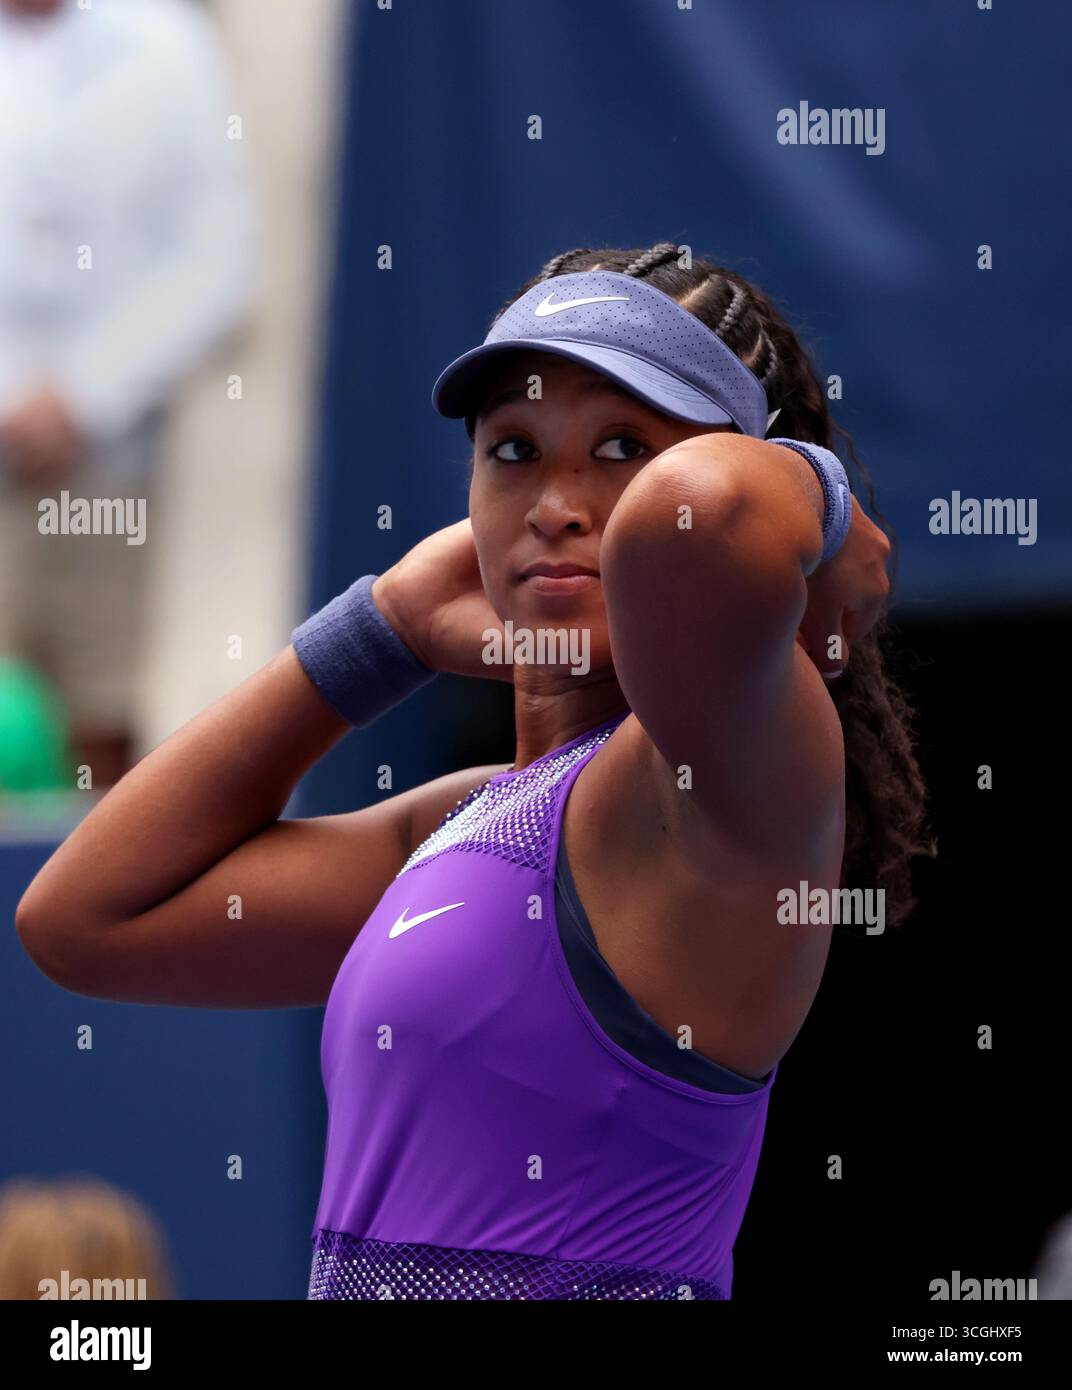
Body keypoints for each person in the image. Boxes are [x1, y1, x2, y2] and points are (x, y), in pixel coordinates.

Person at [16, 242, 934, 1300]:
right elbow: (80, 921)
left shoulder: (713, 776)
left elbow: (705, 513)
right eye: (514, 450)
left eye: (622, 447)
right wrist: (380, 630)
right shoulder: (466, 824)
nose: (555, 503)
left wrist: (816, 492)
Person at [0, 0, 256, 788]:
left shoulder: (166, 44)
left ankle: (92, 870)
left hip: (105, 459)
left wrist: (82, 395)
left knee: (98, 720)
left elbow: (219, 257)